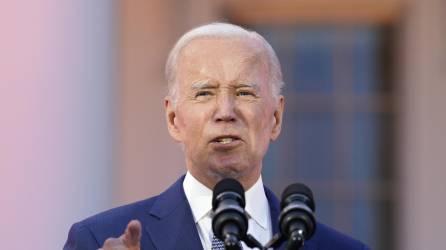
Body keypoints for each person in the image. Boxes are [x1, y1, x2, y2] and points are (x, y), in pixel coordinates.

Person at [64, 22, 369, 250]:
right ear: (173, 119)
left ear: (275, 118)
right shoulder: (96, 238)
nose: (225, 111)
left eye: (245, 92)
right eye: (205, 93)